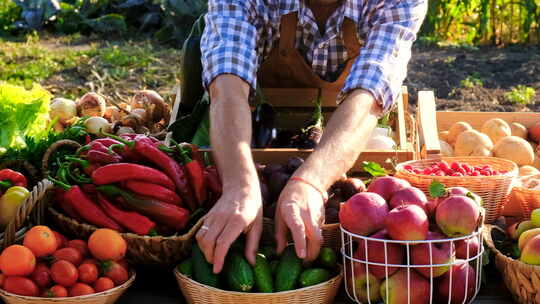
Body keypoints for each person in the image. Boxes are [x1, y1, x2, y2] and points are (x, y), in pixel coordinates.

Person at [195, 0, 427, 273]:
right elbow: (228, 86)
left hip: (347, 120)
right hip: (258, 107)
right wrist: (239, 185)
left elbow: (368, 97)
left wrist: (310, 181)